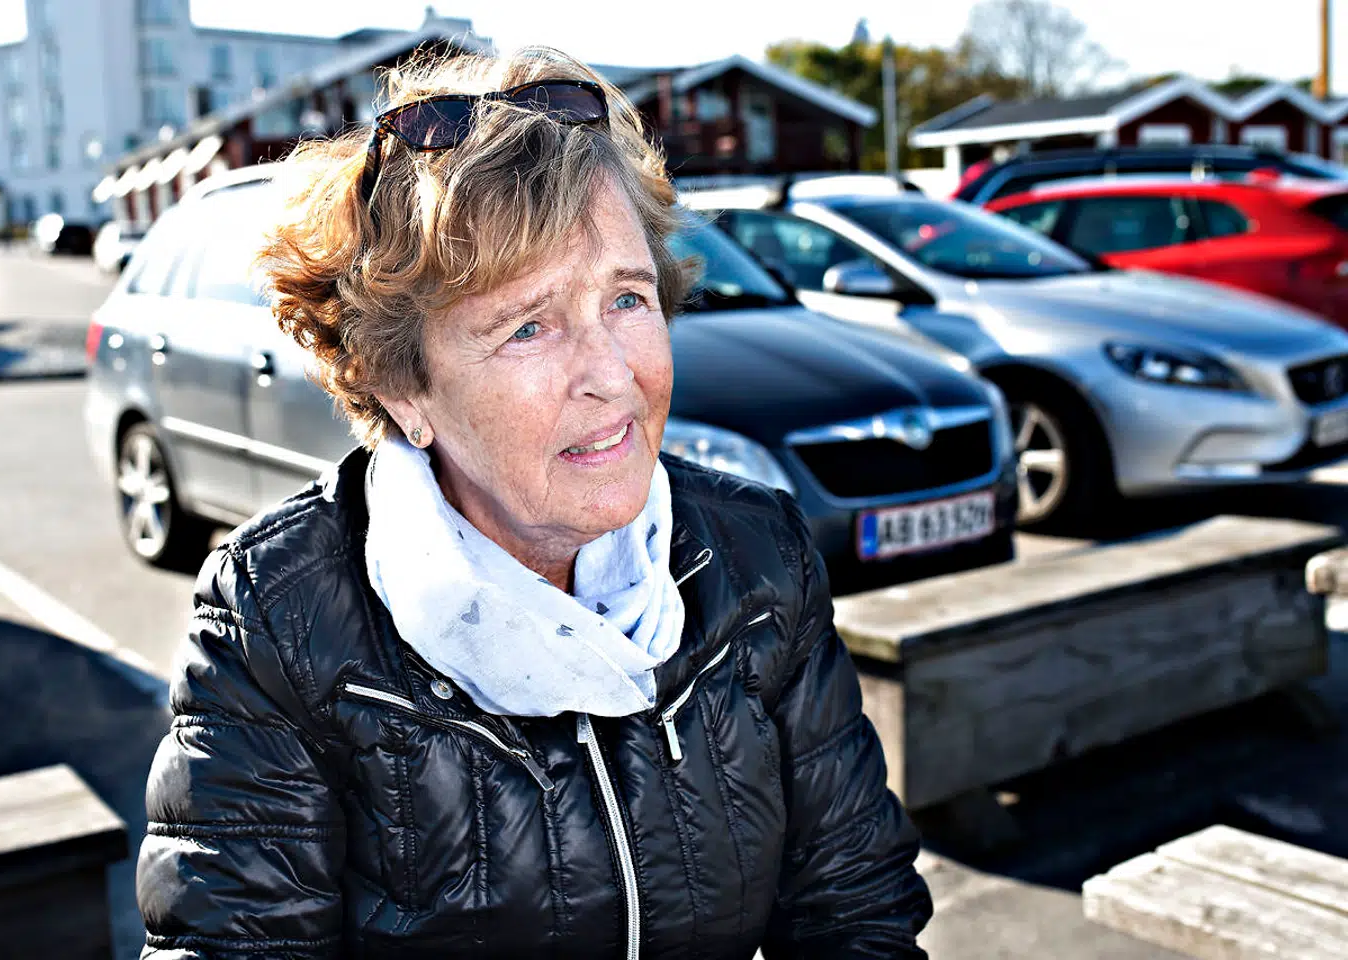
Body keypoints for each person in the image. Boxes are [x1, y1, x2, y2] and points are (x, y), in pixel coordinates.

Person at [137, 46, 931, 959]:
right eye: (527, 326)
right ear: (402, 386)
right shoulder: (279, 622)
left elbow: (856, 911)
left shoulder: (756, 557)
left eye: (627, 299)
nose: (611, 378)